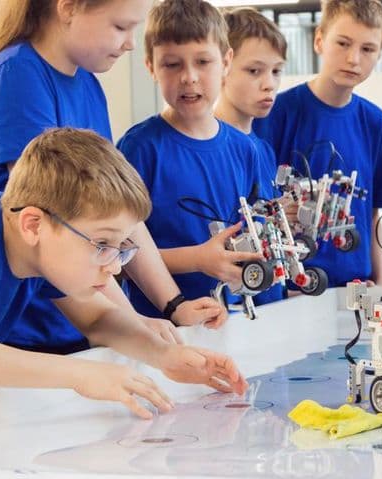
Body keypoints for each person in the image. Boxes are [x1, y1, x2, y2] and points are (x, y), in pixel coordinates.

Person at [0, 0, 224, 355]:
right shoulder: (19, 74)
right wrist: (129, 320)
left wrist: (172, 305)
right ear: (68, 9)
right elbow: (66, 216)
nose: (131, 43)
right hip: (29, 327)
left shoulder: (87, 83)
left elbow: (116, 214)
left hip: (79, 313)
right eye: (120, 27)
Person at [0, 128, 247, 418]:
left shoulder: (38, 247)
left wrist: (164, 355)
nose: (115, 266)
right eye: (102, 244)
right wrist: (82, 374)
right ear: (33, 226)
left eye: (121, 246)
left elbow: (98, 318)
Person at [117, 0, 272, 317]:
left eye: (203, 62)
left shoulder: (247, 150)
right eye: (172, 65)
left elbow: (263, 237)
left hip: (240, 323)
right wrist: (197, 259)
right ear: (151, 67)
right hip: (166, 329)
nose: (189, 77)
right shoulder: (138, 149)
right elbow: (117, 256)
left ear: (226, 62)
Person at [253, 0, 382, 287]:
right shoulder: (275, 115)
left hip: (357, 288)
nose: (354, 58)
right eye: (343, 43)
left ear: (379, 53)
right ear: (319, 40)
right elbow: (257, 207)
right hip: (294, 288)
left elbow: (373, 214)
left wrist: (380, 281)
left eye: (367, 49)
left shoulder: (376, 124)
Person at [214, 6, 289, 304]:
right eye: (254, 71)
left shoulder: (263, 148)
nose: (269, 83)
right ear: (223, 65)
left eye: (276, 71)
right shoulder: (214, 147)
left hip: (268, 301)